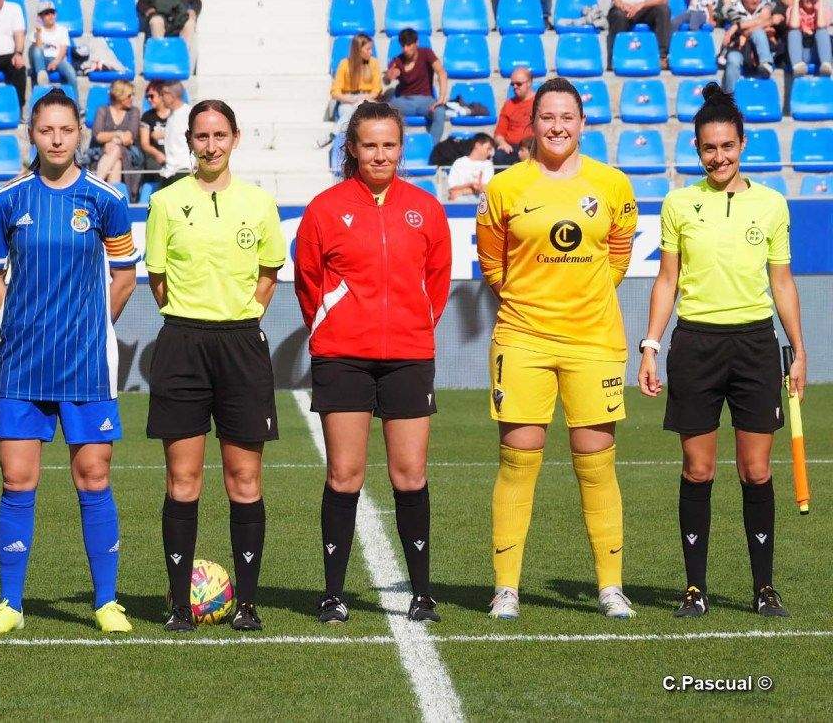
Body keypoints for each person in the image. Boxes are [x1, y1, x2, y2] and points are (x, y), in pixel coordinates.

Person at [0, 89, 140, 635]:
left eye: (66, 129)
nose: (57, 139)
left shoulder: (105, 199)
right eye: (46, 130)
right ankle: (10, 604)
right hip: (22, 367)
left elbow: (124, 277)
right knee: (17, 480)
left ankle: (106, 602)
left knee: (94, 478)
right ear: (32, 134)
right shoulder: (7, 200)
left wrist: (94, 327)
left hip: (86, 367)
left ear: (80, 134)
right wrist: (15, 323)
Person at [639, 83, 804, 619]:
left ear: (742, 144)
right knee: (698, 469)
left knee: (756, 471)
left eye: (727, 146)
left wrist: (799, 351)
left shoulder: (772, 204)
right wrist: (650, 346)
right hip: (696, 345)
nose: (719, 157)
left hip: (755, 345)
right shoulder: (678, 203)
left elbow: (782, 282)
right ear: (696, 148)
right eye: (709, 148)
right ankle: (695, 589)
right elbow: (667, 281)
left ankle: (764, 588)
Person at [477, 77, 639, 621]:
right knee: (517, 460)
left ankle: (610, 587)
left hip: (593, 339)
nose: (557, 126)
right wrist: (532, 301)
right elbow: (492, 263)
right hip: (523, 338)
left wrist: (583, 299)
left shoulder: (612, 184)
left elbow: (618, 255)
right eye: (547, 116)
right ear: (532, 123)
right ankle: (506, 589)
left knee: (596, 463)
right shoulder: (504, 188)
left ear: (582, 124)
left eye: (567, 117)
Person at [295, 100, 452, 625]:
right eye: (369, 145)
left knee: (410, 474)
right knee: (345, 474)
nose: (380, 155)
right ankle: (332, 593)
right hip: (342, 358)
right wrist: (337, 327)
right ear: (353, 149)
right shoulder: (324, 209)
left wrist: (411, 327)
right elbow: (309, 282)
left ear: (402, 148)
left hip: (409, 357)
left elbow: (437, 283)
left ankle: (421, 592)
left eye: (389, 145)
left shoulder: (426, 208)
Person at [144, 99, 286, 632]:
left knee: (244, 478)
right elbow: (158, 279)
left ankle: (246, 603)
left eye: (219, 135)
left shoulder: (259, 203)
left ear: (235, 138)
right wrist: (194, 318)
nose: (211, 146)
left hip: (241, 345)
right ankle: (180, 606)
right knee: (183, 480)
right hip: (182, 344)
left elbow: (269, 273)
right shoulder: (164, 202)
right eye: (201, 136)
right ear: (189, 142)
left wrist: (239, 317)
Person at [385, 28, 449, 143]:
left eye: (409, 45)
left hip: (425, 101)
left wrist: (441, 97)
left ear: (416, 43)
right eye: (403, 45)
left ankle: (432, 148)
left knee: (440, 111)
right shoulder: (397, 60)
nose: (405, 49)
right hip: (404, 101)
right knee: (384, 111)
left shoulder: (426, 53)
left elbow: (441, 72)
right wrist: (388, 77)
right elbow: (386, 80)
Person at [721, 0, 781, 91]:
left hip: (760, 48)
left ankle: (766, 64)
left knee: (758, 32)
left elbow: (746, 29)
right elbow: (744, 30)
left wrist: (737, 27)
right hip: (740, 47)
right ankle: (729, 97)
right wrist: (769, 21)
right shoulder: (732, 9)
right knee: (733, 59)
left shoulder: (765, 5)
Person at [90, 80, 143, 198]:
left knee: (116, 149)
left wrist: (112, 140)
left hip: (129, 155)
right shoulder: (103, 110)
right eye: (129, 95)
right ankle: (111, 200)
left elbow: (129, 138)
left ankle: (94, 187)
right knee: (116, 163)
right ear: (120, 95)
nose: (132, 98)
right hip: (102, 152)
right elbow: (98, 136)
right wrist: (118, 134)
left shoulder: (134, 111)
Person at [330, 33, 382, 138]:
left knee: (361, 111)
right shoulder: (344, 64)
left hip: (367, 99)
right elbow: (335, 92)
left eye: (371, 49)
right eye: (368, 49)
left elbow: (377, 90)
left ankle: (334, 134)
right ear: (358, 50)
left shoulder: (374, 63)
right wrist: (350, 99)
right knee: (349, 112)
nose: (371, 52)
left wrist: (364, 98)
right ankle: (339, 139)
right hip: (348, 100)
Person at [786, 0, 832, 76]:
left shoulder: (824, 10)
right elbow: (794, 25)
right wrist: (796, 0)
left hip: (818, 53)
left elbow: (821, 25)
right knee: (793, 32)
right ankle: (797, 66)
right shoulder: (793, 9)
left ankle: (826, 65)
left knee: (822, 31)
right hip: (799, 54)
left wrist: (820, 0)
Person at [493, 65, 534, 167]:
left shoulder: (540, 102)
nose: (515, 87)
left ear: (529, 82)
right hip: (511, 148)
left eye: (519, 84)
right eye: (512, 84)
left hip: (532, 146)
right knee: (499, 156)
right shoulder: (509, 104)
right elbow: (499, 133)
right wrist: (502, 143)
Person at [29, 0, 76, 88]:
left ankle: (73, 97)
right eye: (47, 13)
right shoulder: (36, 32)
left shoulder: (62, 30)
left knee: (71, 73)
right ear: (40, 17)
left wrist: (56, 62)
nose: (50, 16)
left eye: (52, 13)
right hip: (42, 59)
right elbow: (38, 50)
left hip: (58, 58)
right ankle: (42, 75)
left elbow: (63, 49)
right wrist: (38, 32)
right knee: (35, 49)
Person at [139, 80, 171, 193]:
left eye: (152, 96)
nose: (149, 99)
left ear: (162, 95)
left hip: (174, 154)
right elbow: (145, 144)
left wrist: (165, 134)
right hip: (155, 156)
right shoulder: (147, 116)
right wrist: (157, 154)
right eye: (147, 96)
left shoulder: (175, 115)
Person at [158, 81, 193, 187]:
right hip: (169, 171)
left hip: (184, 170)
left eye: (163, 94)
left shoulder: (188, 114)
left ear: (172, 95)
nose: (161, 98)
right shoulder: (172, 115)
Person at [447, 132, 496, 201]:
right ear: (477, 145)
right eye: (488, 148)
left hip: (480, 203)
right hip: (460, 202)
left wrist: (462, 191)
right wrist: (470, 185)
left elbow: (485, 189)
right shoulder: (459, 162)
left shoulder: (488, 164)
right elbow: (452, 188)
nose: (490, 153)